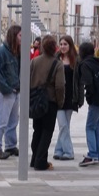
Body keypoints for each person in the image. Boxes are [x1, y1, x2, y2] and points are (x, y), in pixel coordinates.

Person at [76, 41, 99, 167]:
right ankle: (98, 155)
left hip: (97, 100)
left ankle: (92, 154)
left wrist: (89, 99)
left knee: (90, 127)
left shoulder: (86, 65)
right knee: (97, 127)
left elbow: (88, 82)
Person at [29, 35, 64, 170]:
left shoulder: (35, 61)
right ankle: (41, 161)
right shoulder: (57, 64)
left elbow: (28, 79)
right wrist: (60, 101)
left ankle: (34, 158)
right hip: (50, 101)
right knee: (47, 131)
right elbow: (60, 86)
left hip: (36, 100)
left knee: (37, 130)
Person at [0, 25, 21, 160]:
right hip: (7, 92)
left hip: (15, 90)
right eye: (20, 35)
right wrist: (7, 89)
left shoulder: (17, 52)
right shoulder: (1, 52)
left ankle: (10, 145)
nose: (22, 38)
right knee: (2, 121)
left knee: (13, 121)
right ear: (14, 36)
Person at [53, 35, 79, 161]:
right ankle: (68, 152)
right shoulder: (56, 59)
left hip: (70, 97)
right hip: (58, 97)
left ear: (70, 45)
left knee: (65, 125)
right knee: (63, 125)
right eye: (61, 44)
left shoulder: (76, 60)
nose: (63, 46)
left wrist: (79, 98)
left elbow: (79, 81)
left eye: (65, 44)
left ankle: (59, 150)